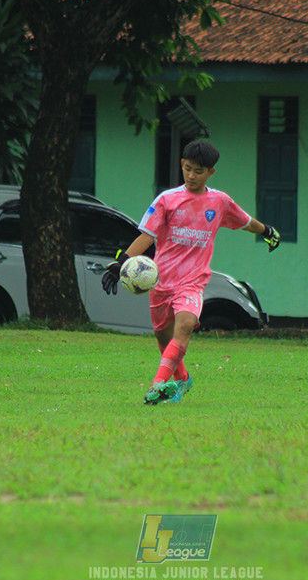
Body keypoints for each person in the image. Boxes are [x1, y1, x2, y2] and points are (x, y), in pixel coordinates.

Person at [101, 139, 281, 405]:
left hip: (192, 282)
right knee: (164, 338)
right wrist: (122, 264)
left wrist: (266, 230)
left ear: (211, 172)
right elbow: (147, 236)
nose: (192, 176)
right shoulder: (167, 200)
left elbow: (245, 221)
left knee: (184, 325)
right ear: (182, 165)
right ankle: (183, 380)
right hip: (161, 282)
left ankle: (157, 385)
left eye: (199, 171)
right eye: (188, 169)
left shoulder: (219, 202)